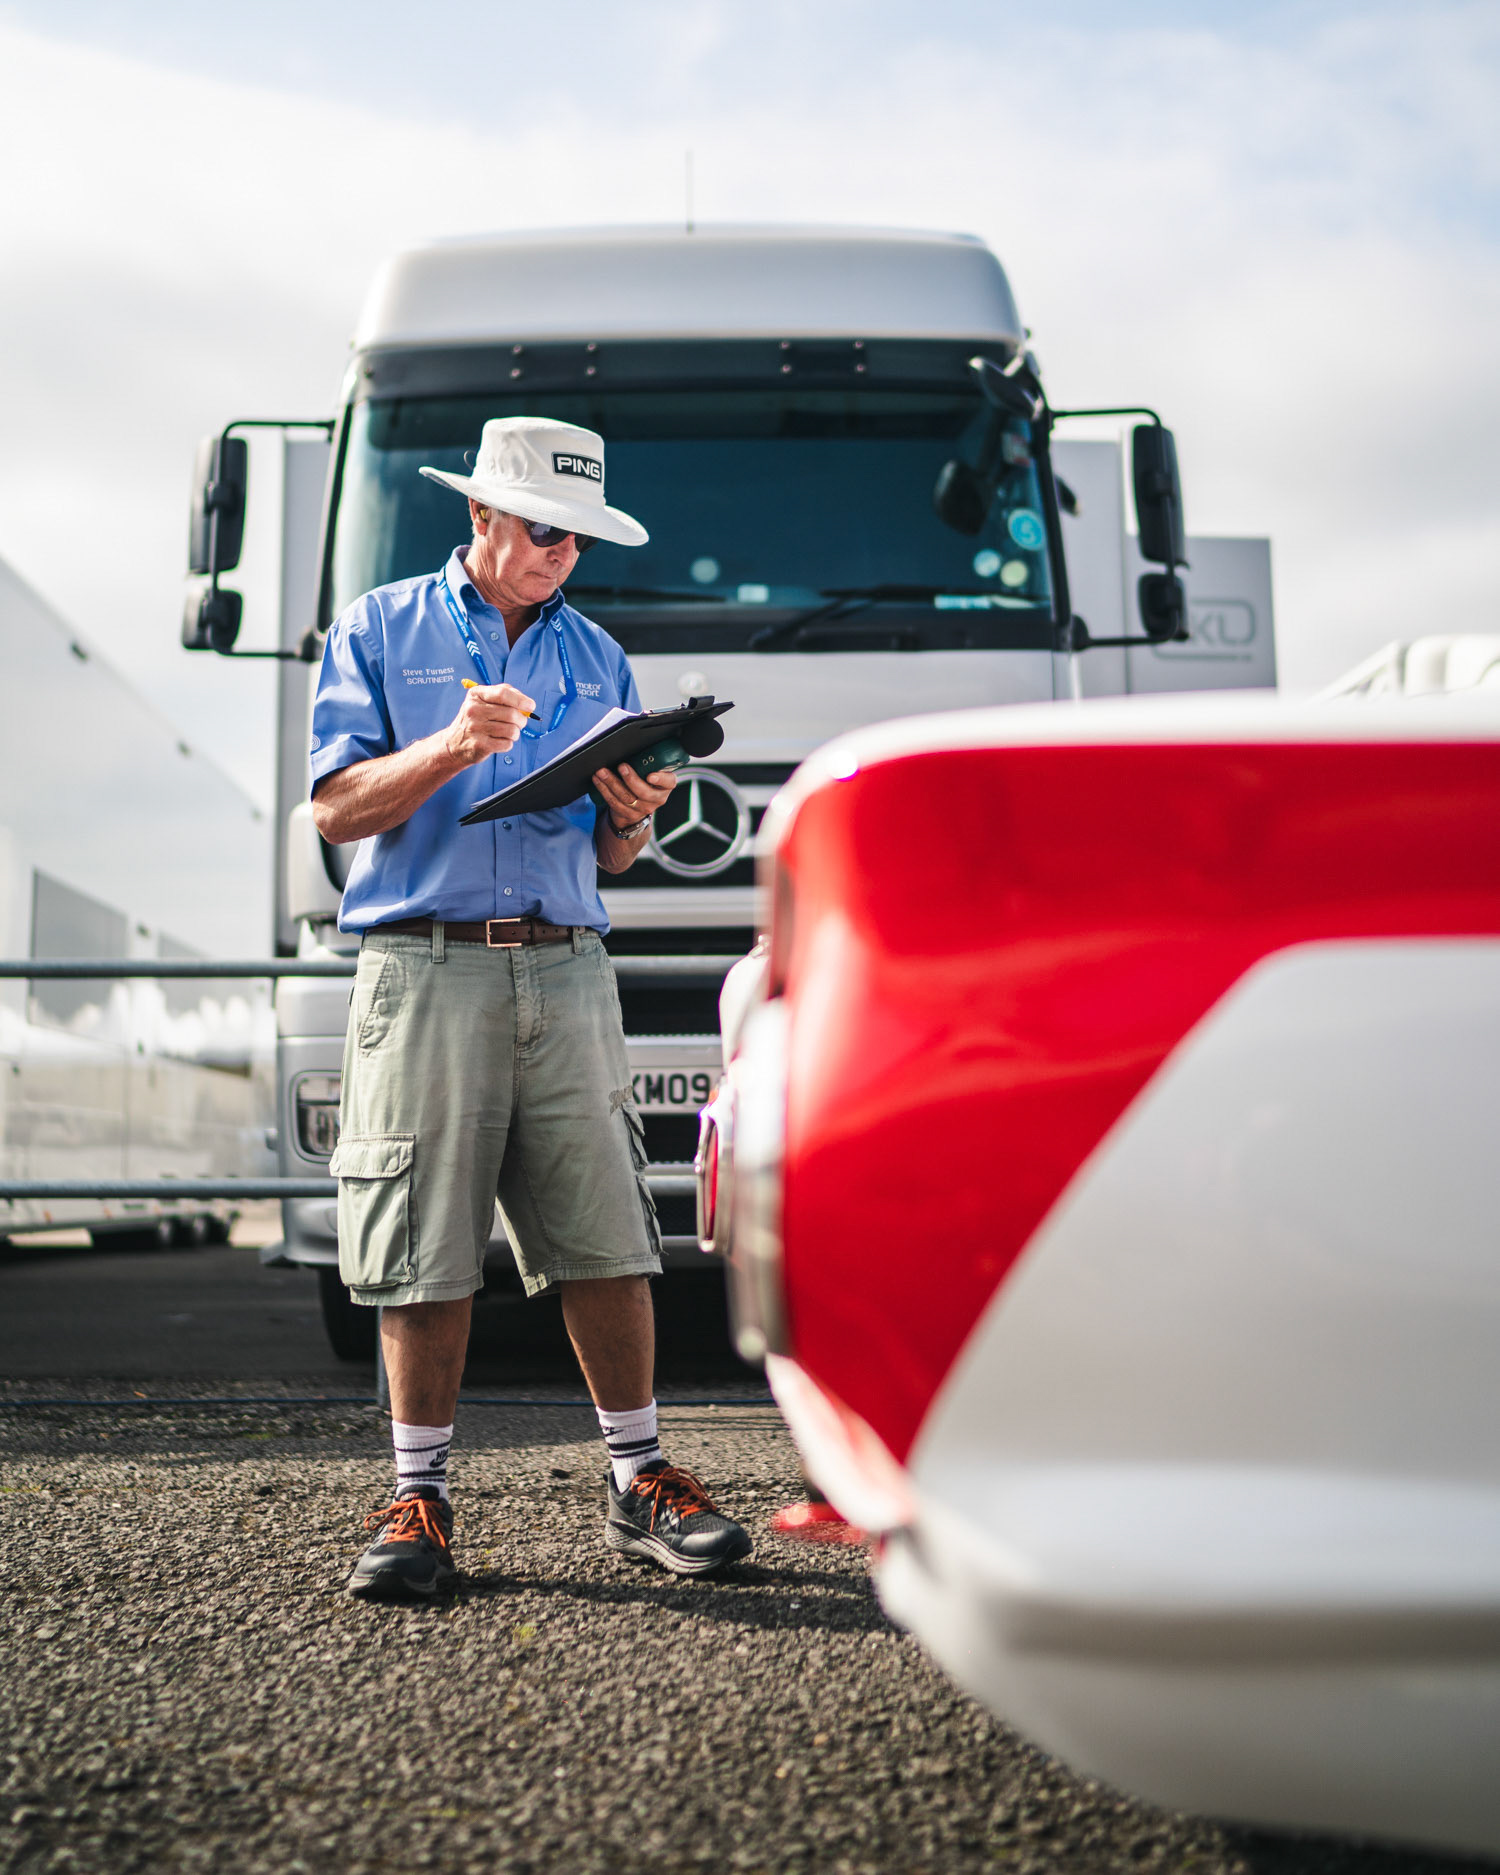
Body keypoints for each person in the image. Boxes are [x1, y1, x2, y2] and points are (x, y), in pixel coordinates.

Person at [310, 415, 751, 1600]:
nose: (561, 555)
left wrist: (634, 816)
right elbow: (335, 810)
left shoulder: (599, 655)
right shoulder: (378, 626)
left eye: (577, 539)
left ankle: (639, 1478)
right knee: (423, 1244)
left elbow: (610, 855)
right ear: (480, 515)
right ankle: (418, 1498)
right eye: (544, 531)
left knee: (609, 1232)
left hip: (568, 965)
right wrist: (453, 746)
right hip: (424, 965)